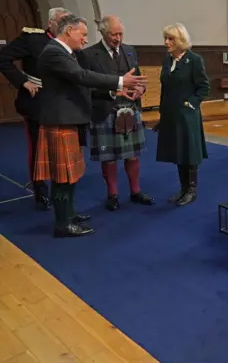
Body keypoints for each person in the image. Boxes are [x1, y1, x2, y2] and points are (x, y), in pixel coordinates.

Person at [33, 14, 147, 238]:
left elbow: (81, 84)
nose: (85, 39)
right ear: (69, 32)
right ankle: (62, 224)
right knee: (63, 175)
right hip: (60, 121)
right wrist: (120, 81)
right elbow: (82, 76)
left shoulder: (65, 53)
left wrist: (114, 90)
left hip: (69, 120)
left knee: (70, 174)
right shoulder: (54, 52)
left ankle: (69, 214)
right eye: (83, 34)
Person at [79, 15, 154, 211]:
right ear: (103, 33)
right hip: (105, 112)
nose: (118, 38)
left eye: (120, 34)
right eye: (114, 34)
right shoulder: (88, 55)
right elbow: (85, 87)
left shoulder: (129, 51)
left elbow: (137, 78)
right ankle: (112, 194)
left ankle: (136, 191)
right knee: (109, 157)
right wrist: (112, 91)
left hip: (130, 111)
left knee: (133, 156)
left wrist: (140, 90)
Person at [0, 7, 71, 210]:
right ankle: (40, 191)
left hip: (62, 103)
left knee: (62, 147)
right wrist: (23, 82)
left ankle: (61, 185)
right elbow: (3, 59)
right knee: (39, 147)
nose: (65, 25)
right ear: (50, 23)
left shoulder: (69, 41)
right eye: (61, 21)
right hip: (36, 102)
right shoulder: (32, 39)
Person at [154, 23, 209, 206]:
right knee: (178, 151)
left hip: (187, 115)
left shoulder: (194, 60)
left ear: (180, 40)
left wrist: (190, 104)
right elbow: (165, 89)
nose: (166, 42)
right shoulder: (168, 60)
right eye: (165, 38)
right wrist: (162, 113)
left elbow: (203, 87)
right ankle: (183, 188)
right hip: (171, 115)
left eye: (170, 39)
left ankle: (191, 190)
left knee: (189, 152)